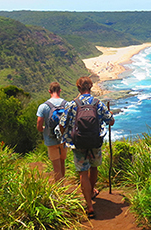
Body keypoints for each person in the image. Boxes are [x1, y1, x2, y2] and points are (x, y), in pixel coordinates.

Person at [59, 76, 115, 219]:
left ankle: (89, 205)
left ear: (78, 88)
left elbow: (62, 124)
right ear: (90, 87)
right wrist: (111, 115)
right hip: (95, 142)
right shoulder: (98, 103)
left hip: (78, 143)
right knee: (94, 167)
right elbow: (111, 121)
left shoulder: (72, 104)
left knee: (82, 172)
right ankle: (91, 192)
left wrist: (64, 136)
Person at [36, 82, 68, 182]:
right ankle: (63, 185)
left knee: (56, 165)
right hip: (63, 138)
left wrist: (42, 129)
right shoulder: (66, 104)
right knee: (62, 163)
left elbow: (39, 123)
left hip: (50, 139)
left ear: (49, 91)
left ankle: (60, 189)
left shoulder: (44, 106)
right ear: (60, 91)